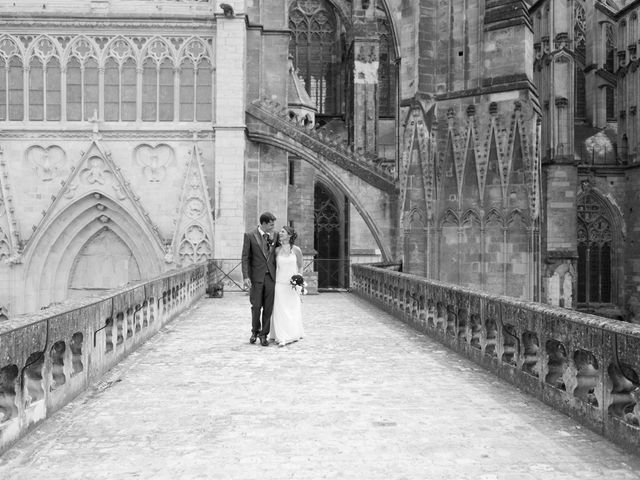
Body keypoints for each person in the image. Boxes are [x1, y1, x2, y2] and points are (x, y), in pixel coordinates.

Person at [241, 212, 277, 346]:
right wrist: (245, 277)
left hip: (271, 278)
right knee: (256, 306)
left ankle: (264, 335)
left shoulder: (276, 235)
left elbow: (283, 249)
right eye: (271, 224)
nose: (273, 227)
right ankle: (255, 331)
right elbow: (245, 257)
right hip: (256, 277)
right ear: (263, 223)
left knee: (268, 307)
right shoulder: (250, 236)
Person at [270, 226, 304, 347]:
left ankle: (292, 333)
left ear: (289, 235)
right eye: (280, 232)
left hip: (292, 286)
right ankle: (281, 336)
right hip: (279, 284)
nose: (280, 233)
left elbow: (300, 266)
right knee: (280, 311)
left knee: (292, 310)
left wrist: (299, 278)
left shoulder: (296, 250)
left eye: (283, 232)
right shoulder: (277, 250)